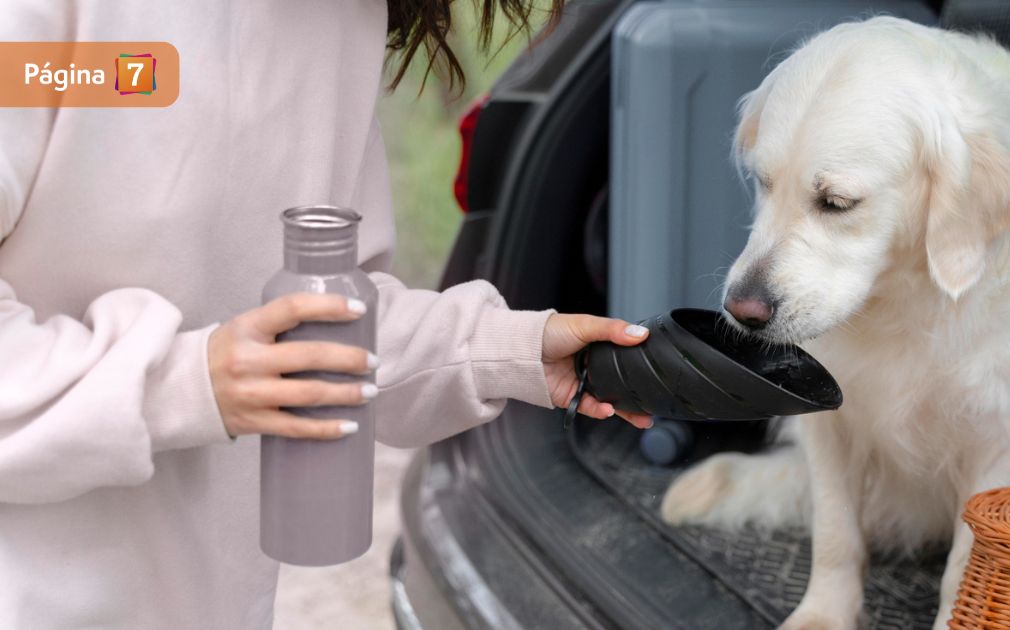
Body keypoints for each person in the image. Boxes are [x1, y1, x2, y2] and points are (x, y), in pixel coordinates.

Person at [0, 1, 650, 627]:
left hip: (210, 600)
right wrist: (186, 383)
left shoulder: (345, 18)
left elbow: (330, 311)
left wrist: (510, 347)